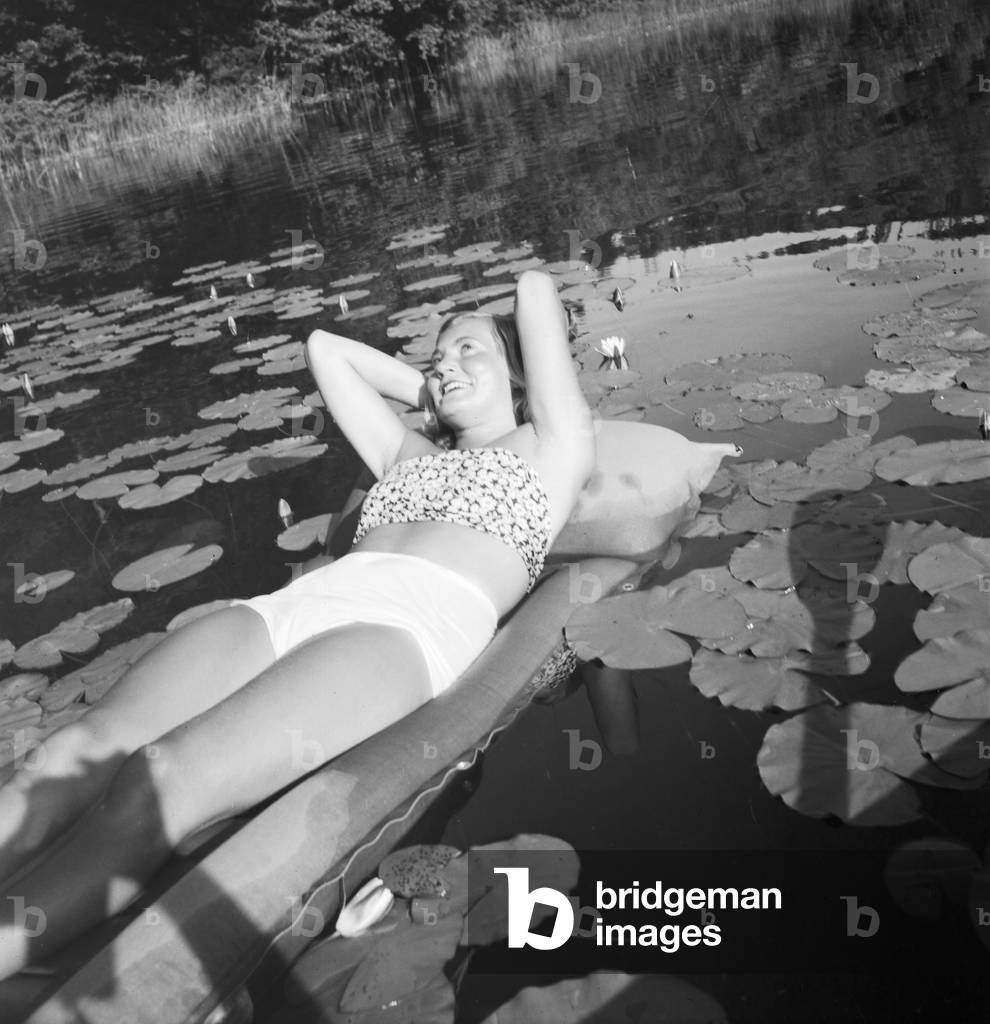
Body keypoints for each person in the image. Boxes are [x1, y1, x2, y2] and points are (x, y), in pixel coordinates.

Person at [0, 269, 595, 979]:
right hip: (295, 609)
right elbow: (323, 348)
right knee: (64, 755)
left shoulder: (554, 450)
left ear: (524, 377)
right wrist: (438, 393)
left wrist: (479, 381)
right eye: (437, 356)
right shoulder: (404, 454)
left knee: (158, 779)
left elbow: (533, 288)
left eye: (469, 350)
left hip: (398, 629)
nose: (444, 362)